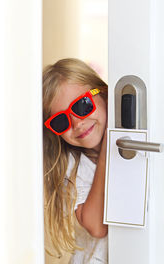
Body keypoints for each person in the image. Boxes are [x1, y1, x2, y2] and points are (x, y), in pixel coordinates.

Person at [42, 58, 109, 263]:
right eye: (61, 120)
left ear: (103, 93)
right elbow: (97, 226)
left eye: (82, 106)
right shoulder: (71, 165)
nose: (77, 123)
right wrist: (110, 142)